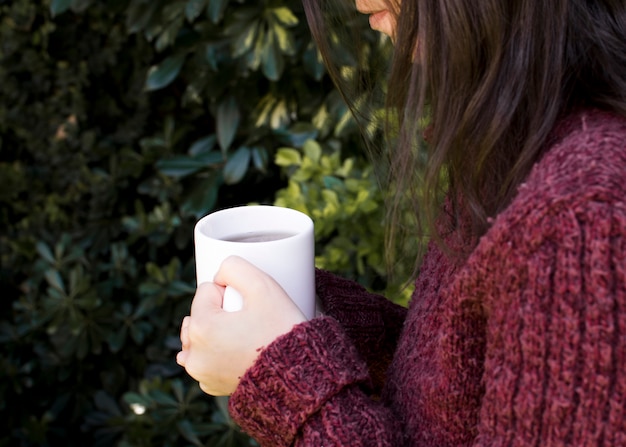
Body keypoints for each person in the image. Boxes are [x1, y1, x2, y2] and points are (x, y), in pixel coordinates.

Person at [177, 0, 626, 445]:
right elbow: (455, 392)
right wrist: (307, 318)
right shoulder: (526, 144)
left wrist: (286, 378)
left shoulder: (582, 213)